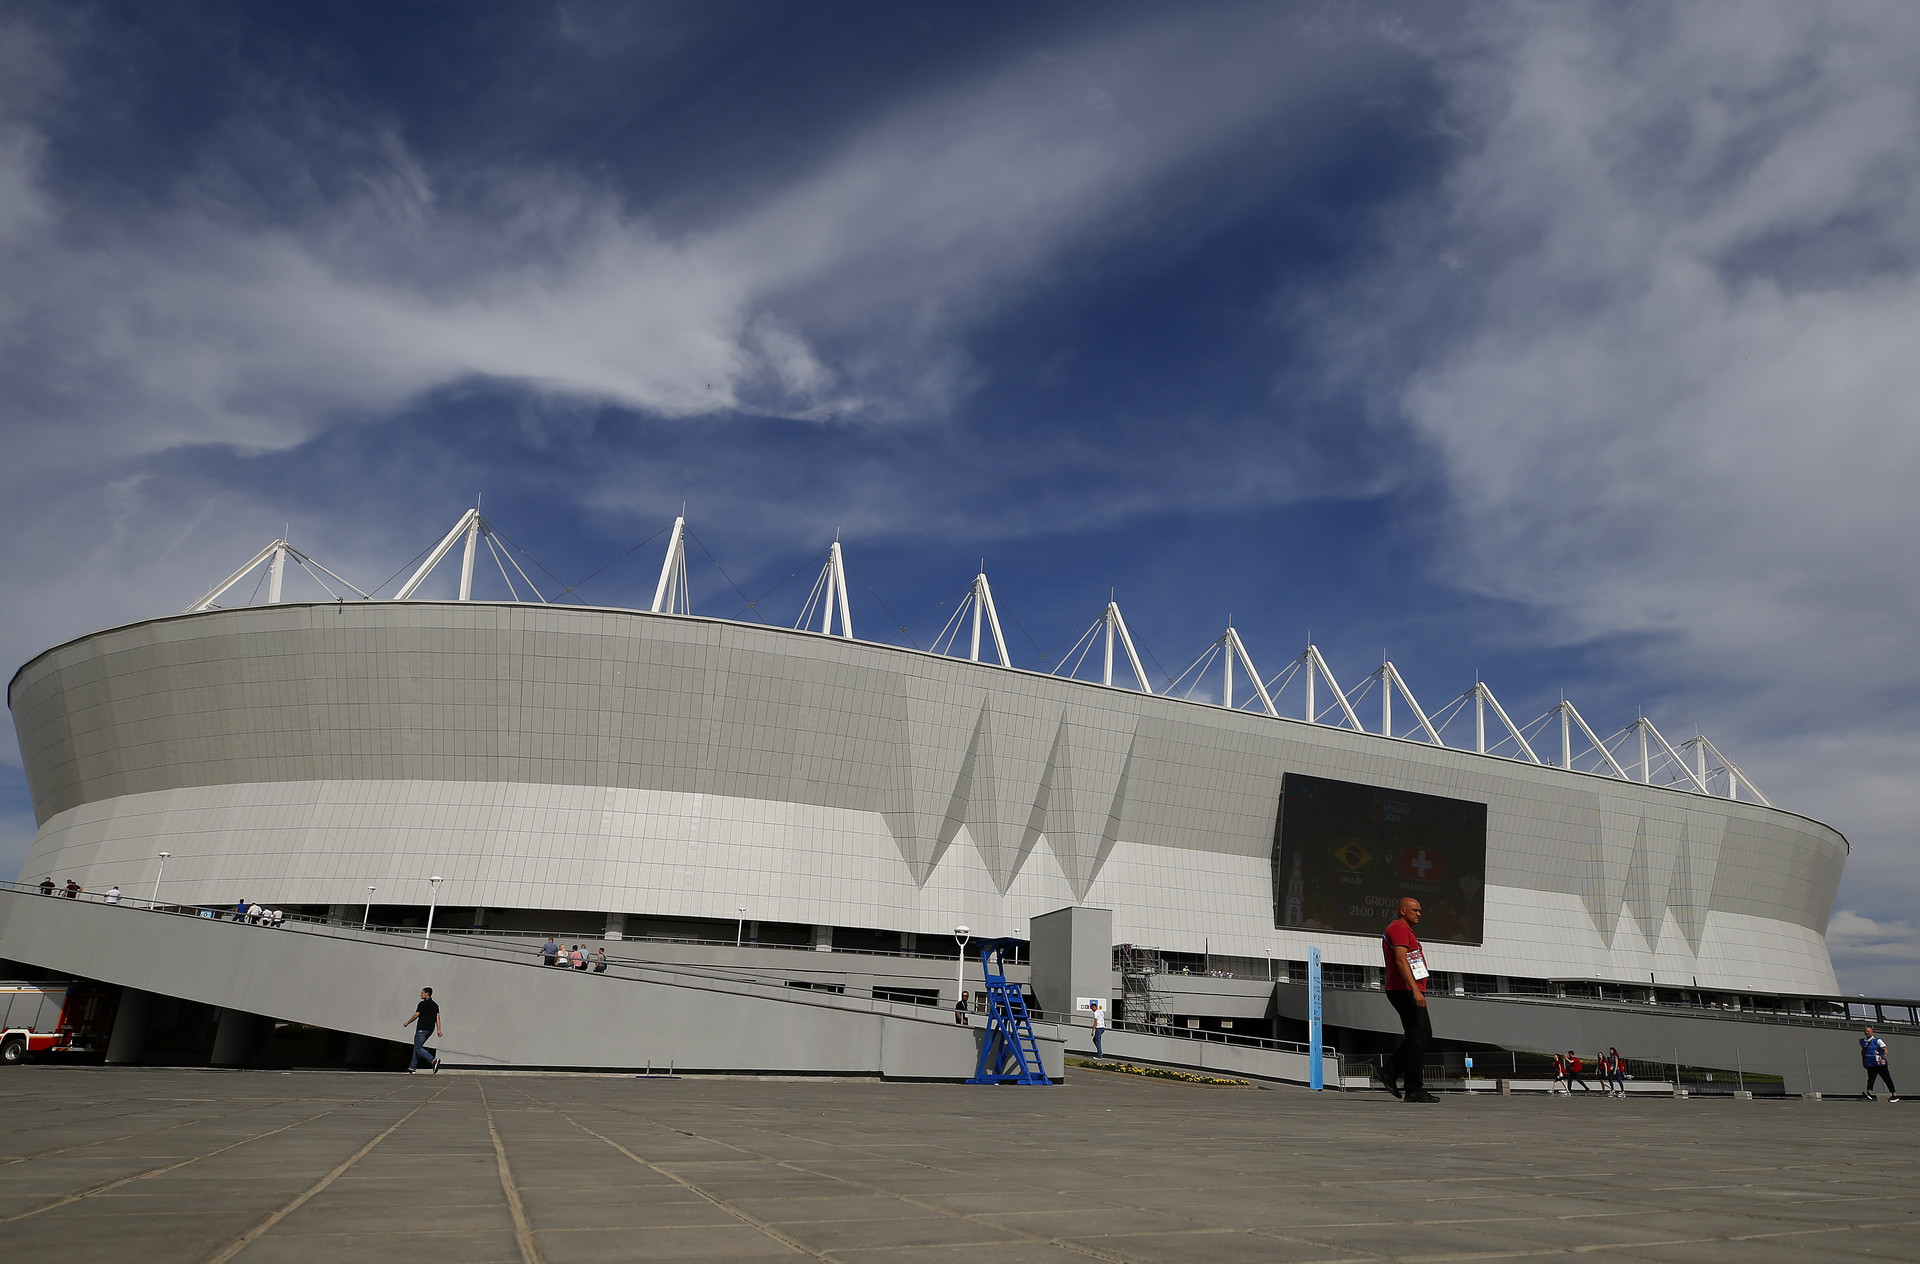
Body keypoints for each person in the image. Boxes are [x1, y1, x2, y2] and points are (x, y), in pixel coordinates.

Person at [1382, 896, 1438, 1103]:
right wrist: (1415, 990)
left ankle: (1390, 1072)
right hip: (1403, 990)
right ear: (1403, 911)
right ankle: (1413, 1089)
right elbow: (1399, 959)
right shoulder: (1397, 928)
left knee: (1422, 1036)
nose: (1419, 914)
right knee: (1418, 1036)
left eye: (1420, 910)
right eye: (1415, 910)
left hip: (1410, 990)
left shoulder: (1406, 931)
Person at [402, 987, 442, 1073]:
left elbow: (416, 1015)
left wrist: (408, 1022)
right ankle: (412, 1068)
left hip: (422, 1029)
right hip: (430, 1030)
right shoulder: (435, 1005)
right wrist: (439, 1030)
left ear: (427, 994)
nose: (421, 994)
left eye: (422, 993)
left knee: (418, 1048)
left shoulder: (422, 1004)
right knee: (417, 1047)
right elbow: (437, 1018)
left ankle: (433, 1060)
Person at [1862, 1025, 1899, 1101]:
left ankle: (1894, 1094)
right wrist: (1864, 1061)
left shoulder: (1877, 1041)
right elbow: (1863, 1052)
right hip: (1871, 1063)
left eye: (1868, 1031)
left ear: (1872, 1032)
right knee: (1870, 1078)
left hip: (1879, 1063)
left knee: (1887, 1078)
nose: (1866, 1033)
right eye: (1865, 1031)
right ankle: (1869, 1092)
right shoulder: (1863, 1041)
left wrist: (1883, 1058)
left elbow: (1885, 1050)